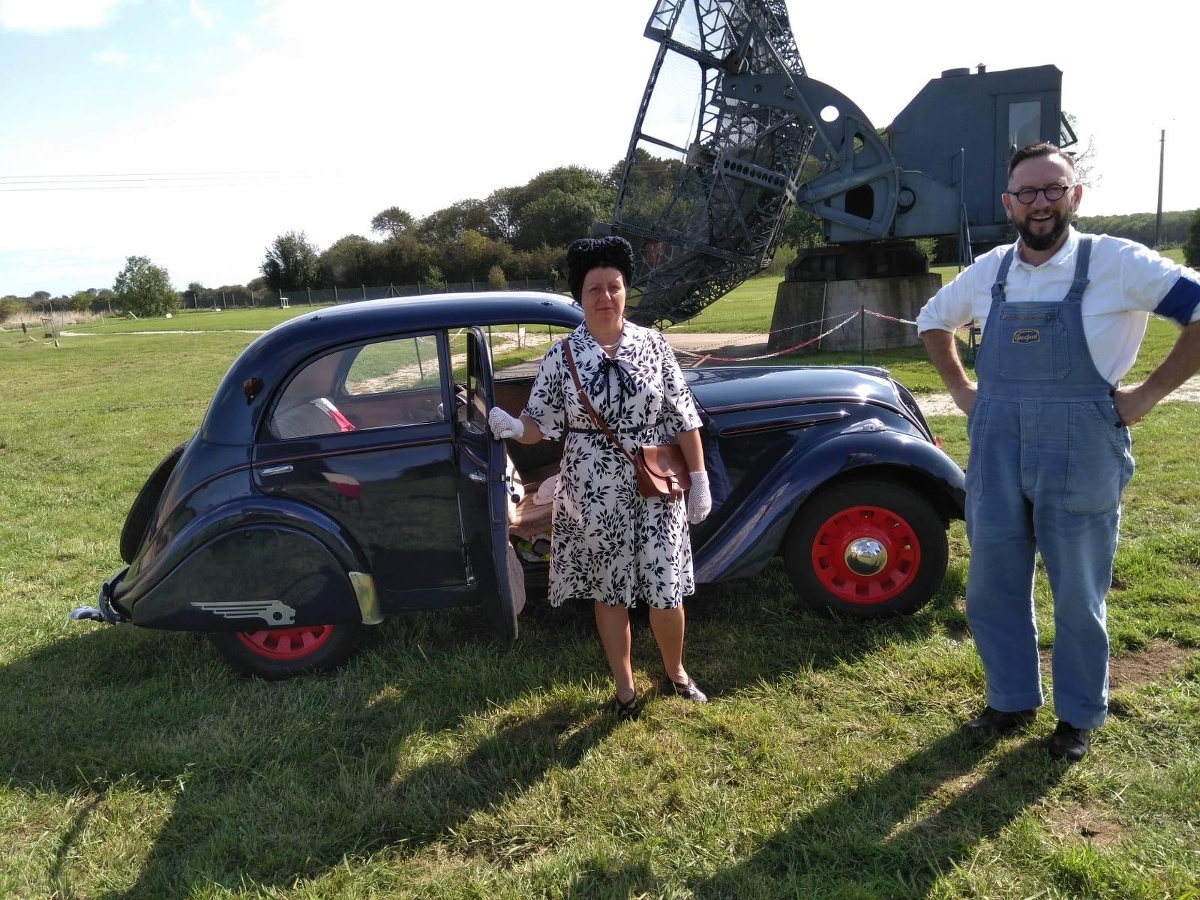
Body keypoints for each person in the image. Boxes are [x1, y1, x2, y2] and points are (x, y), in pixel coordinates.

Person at [916, 141, 1200, 762]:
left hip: (1083, 444)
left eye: (1053, 189)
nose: (1039, 203)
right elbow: (933, 320)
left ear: (1074, 195)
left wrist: (1145, 397)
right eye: (1027, 192)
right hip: (996, 445)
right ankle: (1012, 697)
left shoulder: (1116, 262)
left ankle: (1077, 714)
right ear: (1008, 202)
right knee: (992, 583)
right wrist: (964, 390)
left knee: (1078, 590)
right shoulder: (991, 269)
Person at [487, 235, 713, 719]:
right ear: (580, 296)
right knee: (610, 590)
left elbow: (684, 416)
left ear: (626, 291)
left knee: (665, 586)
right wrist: (512, 427)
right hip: (593, 491)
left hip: (654, 482)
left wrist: (699, 476)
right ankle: (625, 688)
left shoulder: (654, 346)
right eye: (595, 288)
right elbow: (539, 424)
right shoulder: (561, 356)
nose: (606, 297)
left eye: (615, 286)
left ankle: (676, 673)